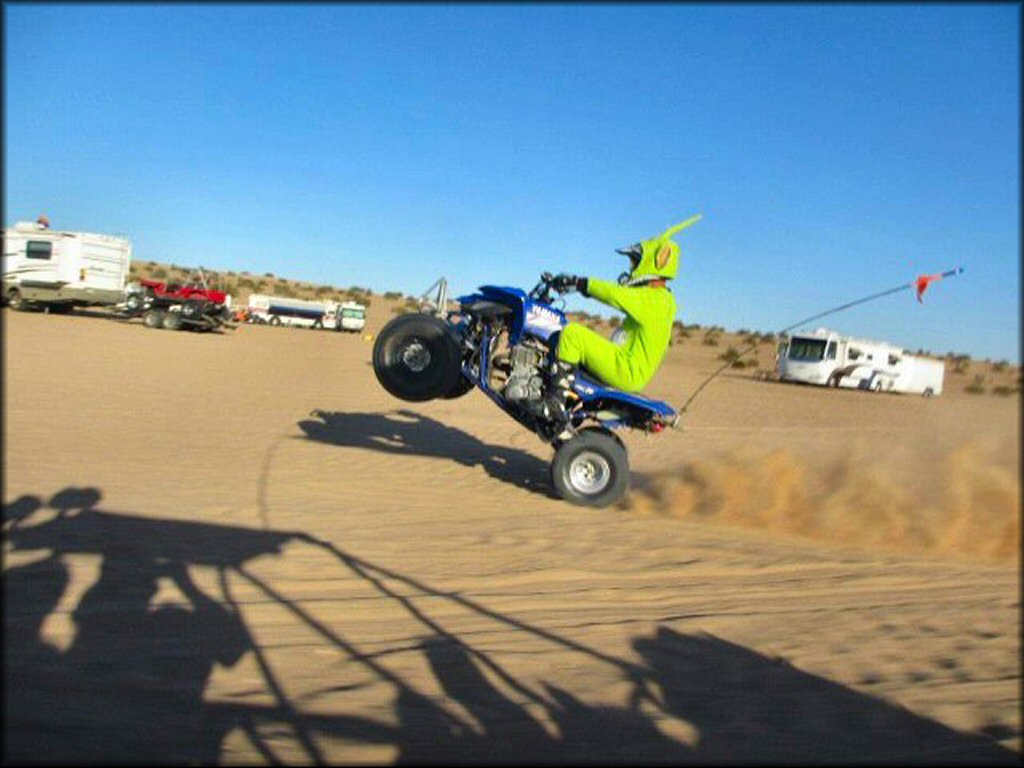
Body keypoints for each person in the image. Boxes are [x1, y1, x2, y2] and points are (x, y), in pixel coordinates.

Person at [540, 215, 702, 422]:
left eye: (635, 263)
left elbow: (615, 295)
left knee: (573, 335)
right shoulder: (659, 299)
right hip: (624, 365)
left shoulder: (656, 300)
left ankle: (555, 401)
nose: (631, 269)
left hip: (627, 370)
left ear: (653, 263)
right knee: (574, 338)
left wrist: (581, 283)